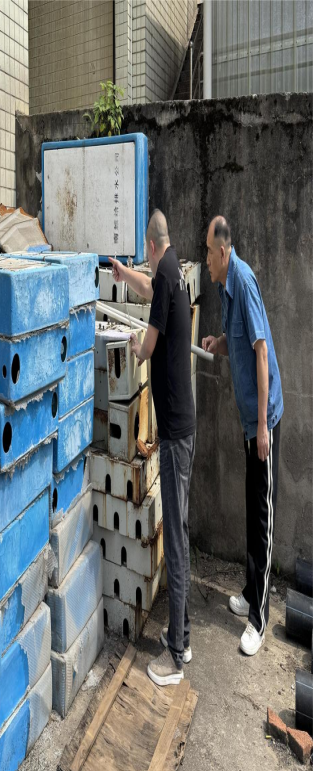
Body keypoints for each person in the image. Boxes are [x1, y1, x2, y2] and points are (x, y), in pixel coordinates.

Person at [109, 209, 195, 686]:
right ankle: (184, 634)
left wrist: (130, 342)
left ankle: (176, 655)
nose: (143, 259)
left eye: (143, 253)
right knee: (179, 529)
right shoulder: (172, 270)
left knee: (176, 541)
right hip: (181, 425)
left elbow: (147, 347)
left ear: (151, 244)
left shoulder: (166, 273)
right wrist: (124, 276)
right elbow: (149, 292)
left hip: (177, 432)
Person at [202, 216, 283, 656]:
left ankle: (260, 620)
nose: (205, 261)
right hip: (249, 421)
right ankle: (252, 593)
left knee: (263, 518)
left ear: (222, 251)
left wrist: (264, 427)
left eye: (207, 253)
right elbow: (238, 341)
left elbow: (262, 352)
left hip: (261, 422)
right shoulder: (224, 286)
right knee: (252, 511)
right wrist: (218, 343)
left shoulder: (244, 282)